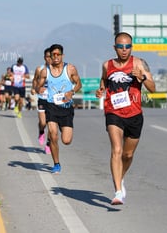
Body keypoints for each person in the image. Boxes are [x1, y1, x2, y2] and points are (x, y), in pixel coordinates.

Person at [95, 32, 156, 205]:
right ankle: (118, 192)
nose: (124, 50)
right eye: (120, 46)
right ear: (115, 48)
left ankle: (120, 178)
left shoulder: (139, 63)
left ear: (131, 47)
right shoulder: (107, 65)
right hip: (113, 112)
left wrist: (142, 77)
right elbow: (104, 81)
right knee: (117, 150)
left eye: (127, 46)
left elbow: (153, 89)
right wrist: (101, 90)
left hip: (134, 114)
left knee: (128, 155)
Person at [35, 44, 82, 174]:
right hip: (51, 106)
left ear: (62, 55)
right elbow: (37, 86)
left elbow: (79, 84)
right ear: (50, 56)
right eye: (53, 55)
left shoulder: (70, 69)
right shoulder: (45, 71)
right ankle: (56, 164)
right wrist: (39, 89)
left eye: (58, 54)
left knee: (66, 141)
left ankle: (62, 129)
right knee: (53, 135)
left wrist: (71, 92)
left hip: (66, 108)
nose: (55, 57)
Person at [31, 48, 52, 154]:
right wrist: (35, 89)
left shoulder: (58, 70)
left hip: (53, 101)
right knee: (43, 123)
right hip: (43, 99)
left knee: (51, 125)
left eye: (52, 56)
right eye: (48, 56)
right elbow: (35, 80)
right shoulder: (40, 69)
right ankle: (41, 131)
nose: (50, 59)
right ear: (44, 57)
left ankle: (48, 144)